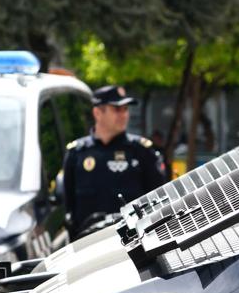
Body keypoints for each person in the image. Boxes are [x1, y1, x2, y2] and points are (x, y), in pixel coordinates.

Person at [60, 84, 167, 240]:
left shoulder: (142, 151)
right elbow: (69, 207)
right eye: (117, 109)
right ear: (97, 113)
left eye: (125, 109)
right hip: (87, 246)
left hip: (134, 244)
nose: (123, 115)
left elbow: (158, 202)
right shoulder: (77, 153)